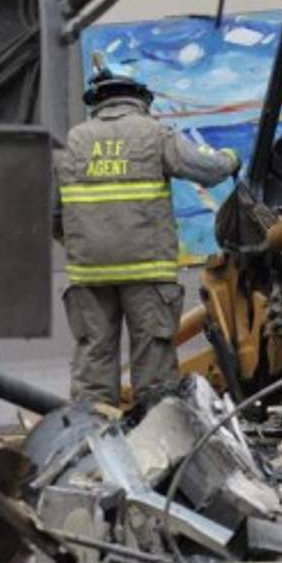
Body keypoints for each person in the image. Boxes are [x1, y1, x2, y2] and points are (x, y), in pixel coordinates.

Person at [53, 67, 239, 407]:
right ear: (139, 99)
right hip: (147, 271)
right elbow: (208, 170)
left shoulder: (71, 143)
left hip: (90, 273)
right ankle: (158, 439)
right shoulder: (155, 134)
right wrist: (230, 159)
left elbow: (51, 211)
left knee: (94, 359)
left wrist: (77, 244)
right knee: (153, 362)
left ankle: (93, 440)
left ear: (97, 102)